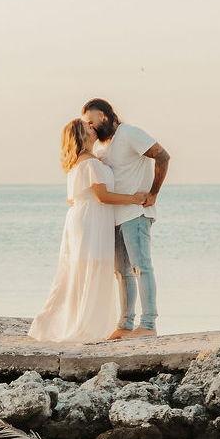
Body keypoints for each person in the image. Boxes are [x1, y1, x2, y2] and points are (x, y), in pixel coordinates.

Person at [26, 119, 155, 344]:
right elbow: (102, 196)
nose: (92, 127)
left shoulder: (83, 162)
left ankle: (75, 322)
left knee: (83, 270)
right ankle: (85, 325)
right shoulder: (91, 164)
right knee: (92, 269)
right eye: (87, 127)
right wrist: (133, 199)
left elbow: (73, 199)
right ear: (81, 136)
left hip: (84, 217)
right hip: (91, 220)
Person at [80, 97, 170, 339]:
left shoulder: (129, 133)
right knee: (122, 272)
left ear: (105, 116)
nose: (89, 126)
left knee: (142, 267)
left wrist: (153, 193)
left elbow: (162, 156)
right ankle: (125, 324)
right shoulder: (100, 147)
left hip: (136, 213)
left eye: (91, 121)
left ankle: (148, 324)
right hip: (113, 216)